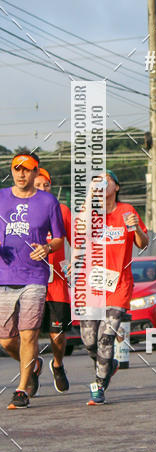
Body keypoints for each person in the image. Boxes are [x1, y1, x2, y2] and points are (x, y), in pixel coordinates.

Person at [76, 171, 148, 405]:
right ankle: (109, 364)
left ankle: (98, 385)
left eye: (106, 180)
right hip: (92, 285)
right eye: (97, 181)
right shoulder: (90, 213)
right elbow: (79, 232)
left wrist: (136, 229)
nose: (101, 184)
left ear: (116, 186)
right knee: (89, 340)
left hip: (119, 284)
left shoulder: (127, 210)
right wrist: (91, 195)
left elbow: (143, 244)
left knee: (106, 338)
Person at [0, 153, 65, 409]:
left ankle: (21, 389)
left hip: (35, 277)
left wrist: (47, 248)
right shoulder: (1, 197)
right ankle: (34, 363)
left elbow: (58, 238)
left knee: (29, 335)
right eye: (17, 169)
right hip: (4, 275)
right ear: (11, 171)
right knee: (6, 340)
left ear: (36, 172)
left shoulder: (48, 202)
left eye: (26, 169)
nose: (21, 173)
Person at [34, 168, 72, 393]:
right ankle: (32, 366)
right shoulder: (21, 212)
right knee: (27, 334)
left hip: (56, 283)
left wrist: (74, 262)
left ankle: (57, 365)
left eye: (46, 185)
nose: (42, 189)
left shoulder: (62, 210)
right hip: (29, 281)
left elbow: (77, 241)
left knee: (57, 335)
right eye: (37, 185)